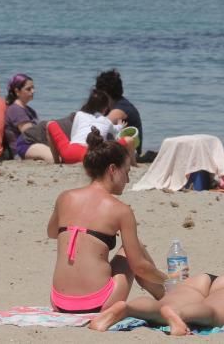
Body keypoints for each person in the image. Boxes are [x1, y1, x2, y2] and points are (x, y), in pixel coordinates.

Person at [48, 129, 166, 314]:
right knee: (132, 250)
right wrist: (166, 278)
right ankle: (166, 295)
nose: (127, 179)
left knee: (131, 250)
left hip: (59, 303)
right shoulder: (120, 210)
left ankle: (166, 295)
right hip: (98, 304)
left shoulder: (65, 197)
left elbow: (51, 232)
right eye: (126, 172)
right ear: (112, 169)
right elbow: (140, 268)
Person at [90, 257, 224, 334]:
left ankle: (126, 308)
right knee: (212, 312)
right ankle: (179, 315)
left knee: (165, 303)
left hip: (206, 278)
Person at [47, 89, 133, 164]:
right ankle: (133, 164)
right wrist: (121, 126)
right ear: (105, 108)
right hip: (94, 156)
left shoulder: (79, 114)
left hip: (70, 153)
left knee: (50, 124)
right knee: (129, 140)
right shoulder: (105, 120)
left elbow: (73, 137)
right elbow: (116, 131)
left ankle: (57, 162)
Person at [3, 73, 55, 163]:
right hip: (21, 150)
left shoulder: (29, 110)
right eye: (28, 89)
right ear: (17, 91)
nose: (33, 91)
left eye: (33, 88)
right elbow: (31, 135)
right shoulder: (16, 110)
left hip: (31, 147)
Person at [95, 68, 146, 156]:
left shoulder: (119, 110)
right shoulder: (116, 105)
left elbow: (98, 128)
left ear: (104, 93)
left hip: (129, 153)